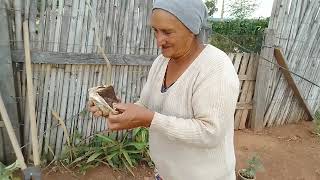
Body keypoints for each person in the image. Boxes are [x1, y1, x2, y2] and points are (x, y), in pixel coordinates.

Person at [88, 0, 239, 179]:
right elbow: (145, 106)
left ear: (192, 30)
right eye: (155, 31)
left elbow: (210, 133)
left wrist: (149, 119)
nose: (159, 40)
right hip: (165, 174)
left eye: (167, 32)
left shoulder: (216, 67)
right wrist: (115, 109)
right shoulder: (161, 62)